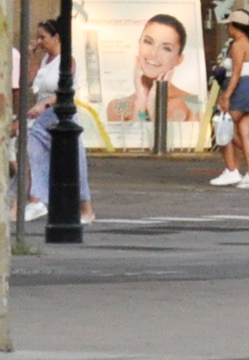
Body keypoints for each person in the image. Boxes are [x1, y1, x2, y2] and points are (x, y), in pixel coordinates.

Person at [22, 21, 95, 223]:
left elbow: (64, 89)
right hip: (43, 117)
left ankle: (86, 208)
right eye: (38, 37)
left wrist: (43, 105)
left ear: (56, 37)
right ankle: (36, 200)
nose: (39, 41)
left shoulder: (67, 60)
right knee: (33, 154)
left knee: (74, 162)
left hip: (61, 114)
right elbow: (28, 81)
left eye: (43, 37)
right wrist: (31, 56)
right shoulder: (45, 59)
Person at [103, 13, 199, 130]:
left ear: (179, 59)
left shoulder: (191, 104)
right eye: (148, 42)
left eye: (166, 48)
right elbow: (132, 145)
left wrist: (154, 108)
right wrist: (140, 102)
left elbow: (174, 147)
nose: (153, 54)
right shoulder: (116, 107)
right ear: (139, 44)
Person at [206, 11, 249, 189]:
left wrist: (226, 96)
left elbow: (236, 73)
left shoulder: (238, 45)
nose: (227, 28)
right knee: (245, 132)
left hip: (241, 88)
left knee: (223, 126)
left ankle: (231, 170)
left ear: (236, 26)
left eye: (229, 24)